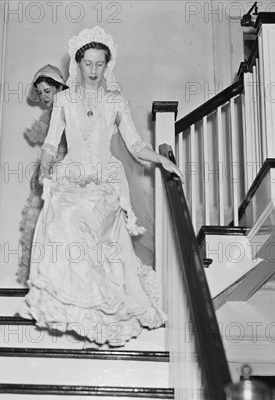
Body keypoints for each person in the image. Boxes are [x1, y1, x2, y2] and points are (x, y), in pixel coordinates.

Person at [16, 26, 183, 348]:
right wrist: (45, 168)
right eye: (87, 63)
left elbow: (135, 145)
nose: (93, 70)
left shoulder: (116, 101)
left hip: (105, 179)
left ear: (108, 65)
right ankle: (76, 305)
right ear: (78, 65)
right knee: (61, 220)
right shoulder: (63, 99)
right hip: (70, 175)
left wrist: (162, 161)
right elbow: (51, 142)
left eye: (99, 64)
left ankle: (101, 305)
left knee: (87, 222)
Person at [16, 65, 68, 284]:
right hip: (50, 173)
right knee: (41, 224)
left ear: (59, 88)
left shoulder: (69, 109)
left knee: (62, 225)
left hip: (68, 172)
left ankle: (59, 280)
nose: (43, 96)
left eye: (48, 91)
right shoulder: (49, 116)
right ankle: (43, 281)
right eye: (40, 92)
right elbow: (49, 147)